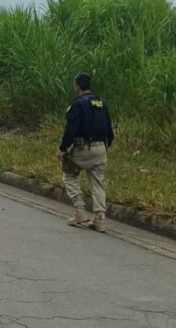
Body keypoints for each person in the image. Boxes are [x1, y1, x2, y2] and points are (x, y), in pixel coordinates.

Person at [57, 73, 114, 233]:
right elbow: (110, 130)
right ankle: (100, 219)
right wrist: (104, 146)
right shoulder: (102, 103)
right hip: (101, 149)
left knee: (68, 174)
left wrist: (62, 149)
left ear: (77, 86)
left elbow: (70, 130)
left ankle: (80, 211)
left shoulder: (78, 104)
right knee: (98, 182)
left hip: (83, 149)